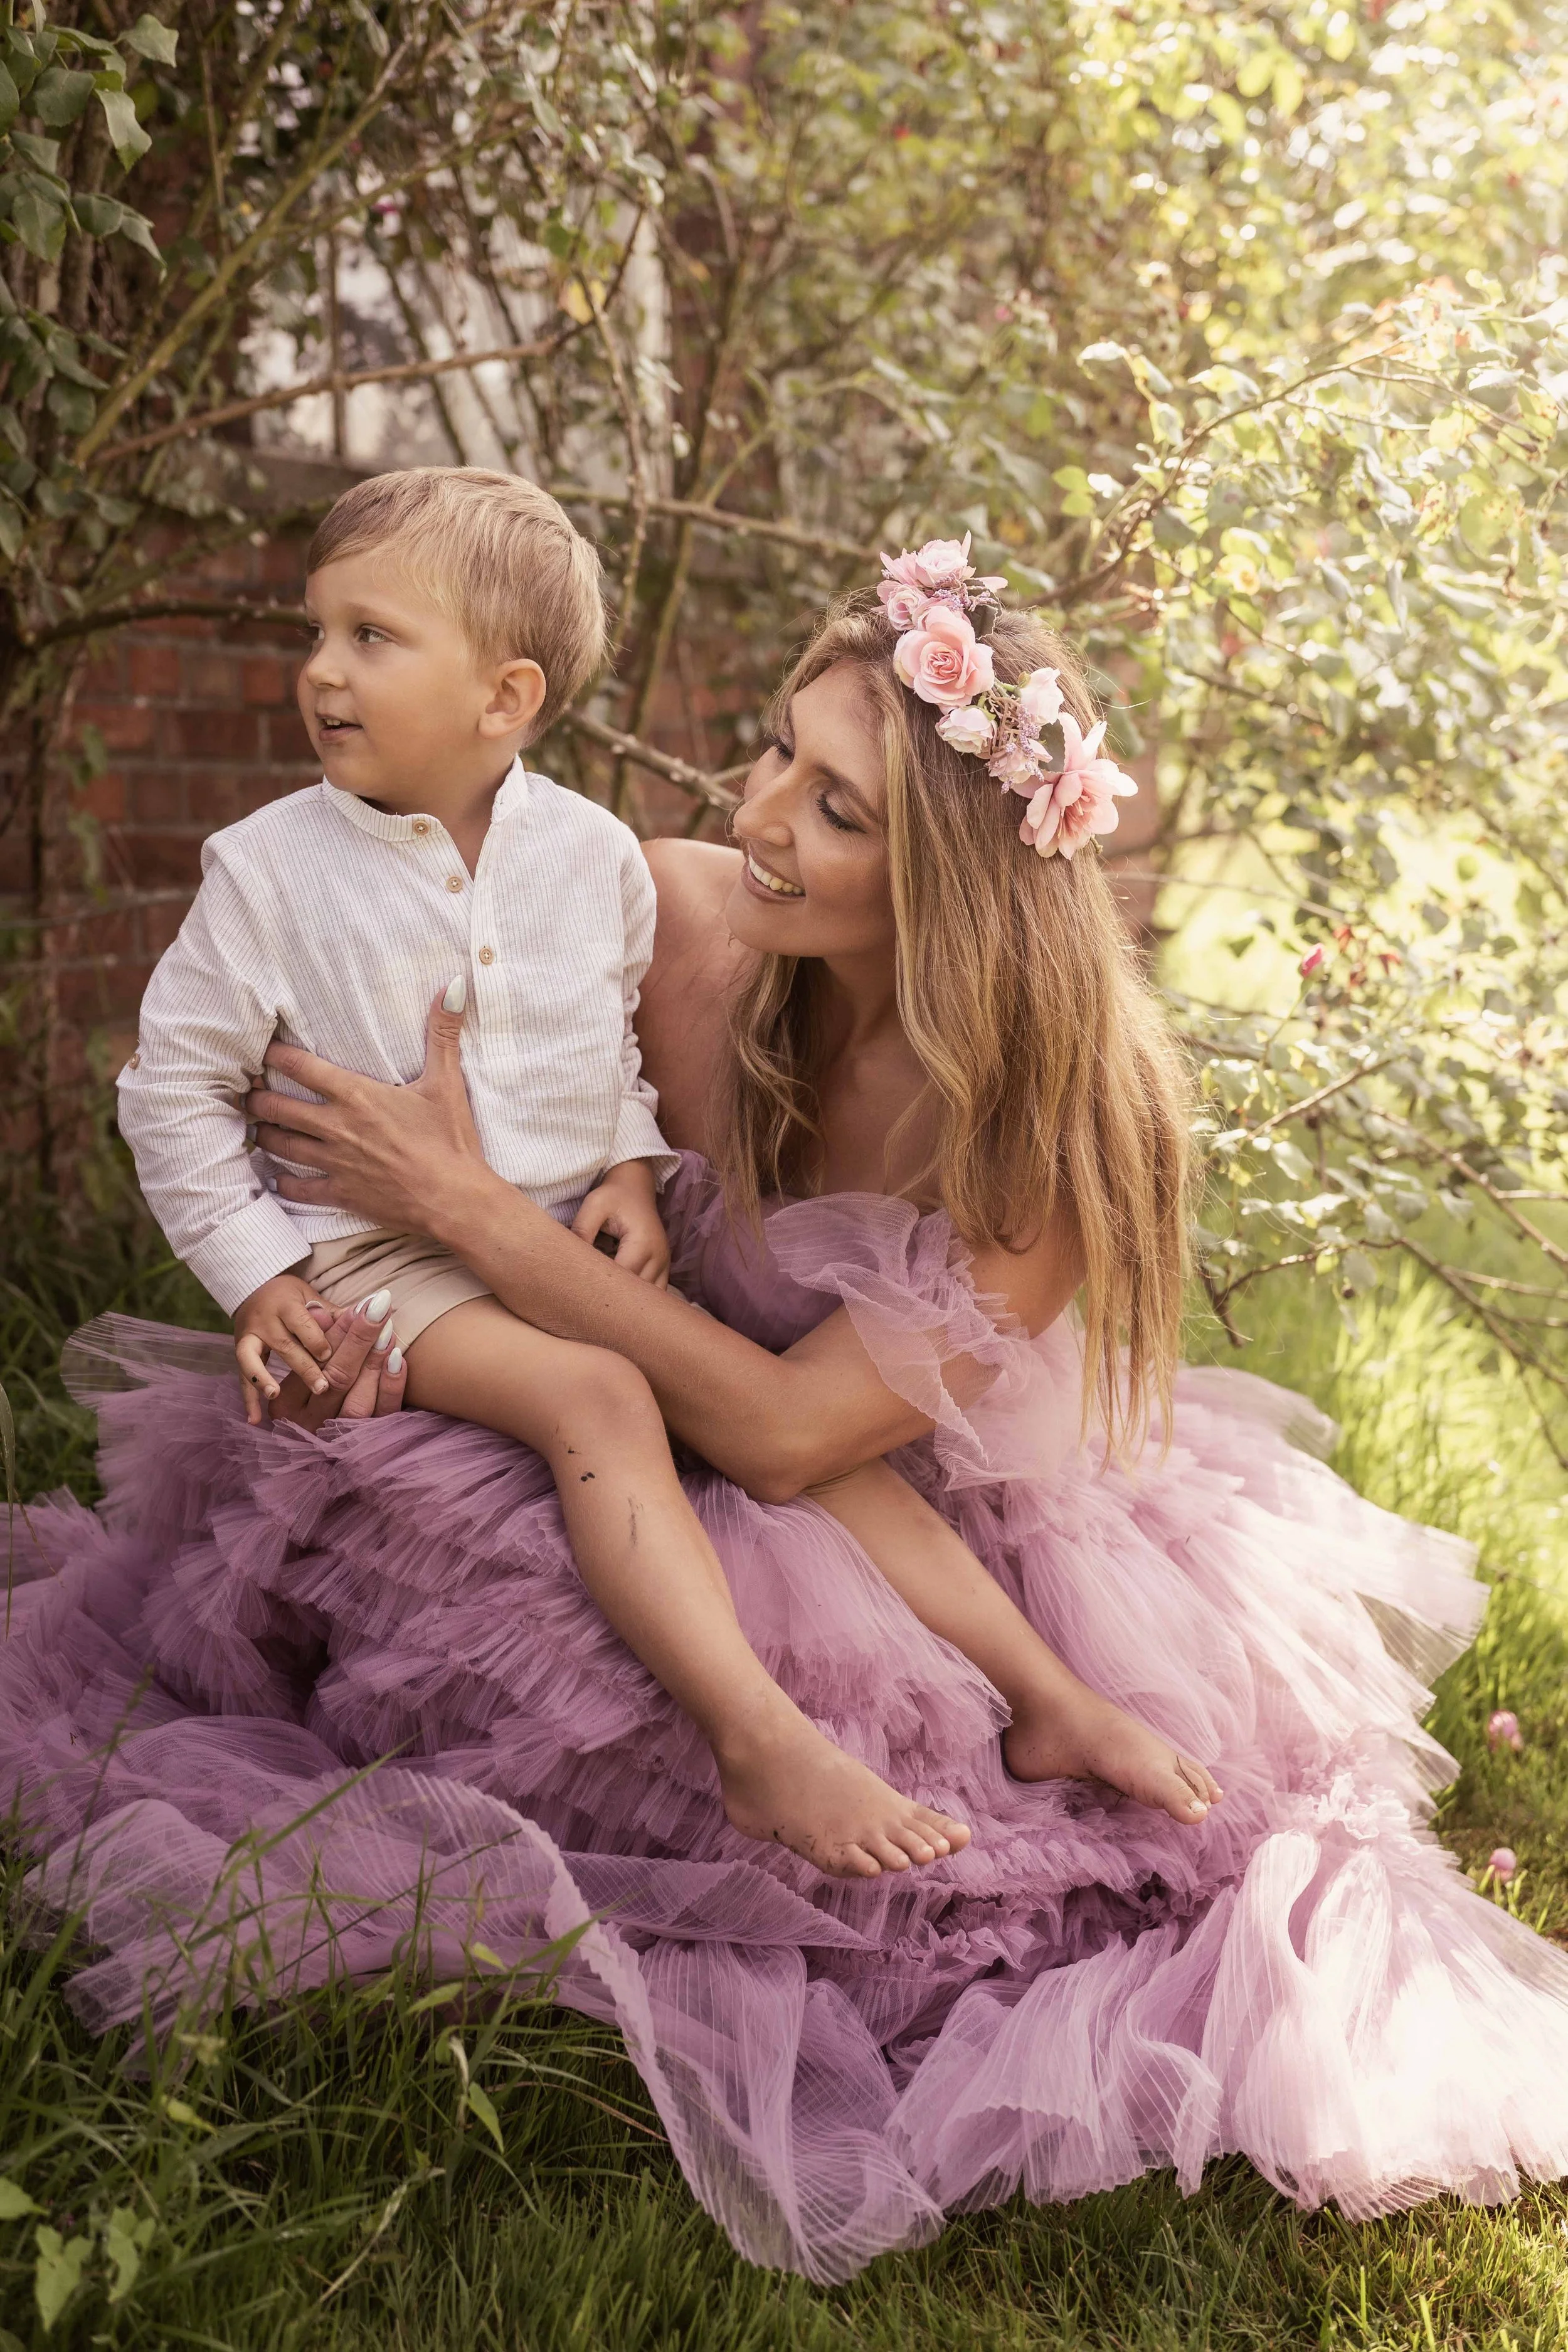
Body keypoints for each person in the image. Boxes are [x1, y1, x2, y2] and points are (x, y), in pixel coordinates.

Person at [6, 541, 1568, 2286]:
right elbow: (416, 1108)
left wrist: (470, 1215)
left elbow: (781, 1433)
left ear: (958, 886)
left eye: (835, 810)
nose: (758, 818)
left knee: (910, 1736)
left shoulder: (1053, 1128)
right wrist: (330, 1280)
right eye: (772, 755)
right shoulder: (659, 910)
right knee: (486, 1579)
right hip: (619, 1400)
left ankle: (1033, 1703)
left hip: (866, 1473)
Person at [114, 465, 981, 1878]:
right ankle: (751, 1736)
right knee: (600, 1388)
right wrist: (258, 1275)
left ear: (503, 698)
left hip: (544, 1236)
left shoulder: (588, 859)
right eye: (317, 633)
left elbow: (600, 1056)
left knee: (707, 1394)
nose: (321, 672)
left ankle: (1035, 1693)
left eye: (370, 638)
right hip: (370, 1258)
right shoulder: (268, 873)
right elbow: (172, 1091)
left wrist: (630, 1174)